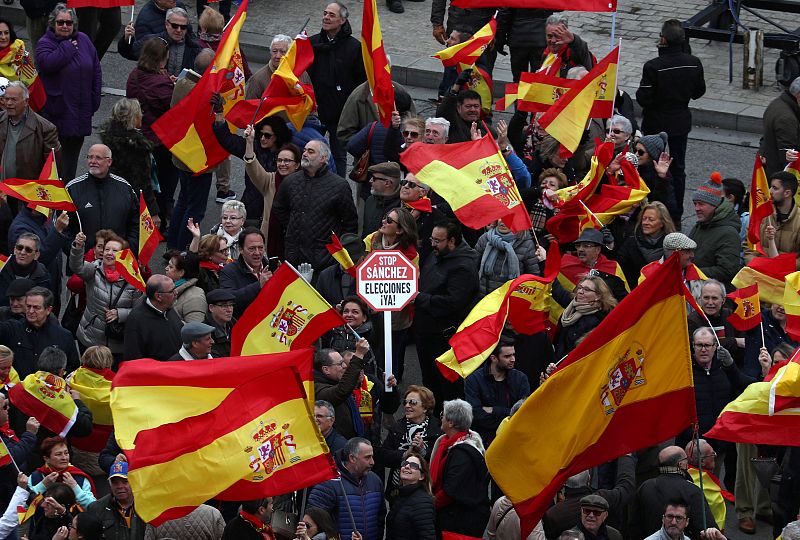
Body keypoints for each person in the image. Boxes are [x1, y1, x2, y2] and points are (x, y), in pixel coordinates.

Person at [636, 20, 706, 222]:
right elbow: (699, 92)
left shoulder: (653, 66)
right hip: (680, 122)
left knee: (650, 166)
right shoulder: (694, 62)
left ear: (663, 39)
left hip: (655, 123)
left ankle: (650, 209)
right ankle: (675, 214)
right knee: (678, 168)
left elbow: (643, 97)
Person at [35, 4, 101, 181]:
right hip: (58, 114)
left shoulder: (84, 40)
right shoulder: (45, 43)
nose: (65, 26)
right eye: (61, 22)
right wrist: (67, 48)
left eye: (69, 23)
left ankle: (67, 202)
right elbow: (47, 64)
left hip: (80, 115)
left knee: (70, 165)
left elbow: (95, 70)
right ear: (53, 24)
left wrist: (94, 100)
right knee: (54, 166)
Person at [272, 139, 358, 273]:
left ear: (323, 158)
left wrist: (336, 246)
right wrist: (292, 226)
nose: (304, 154)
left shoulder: (339, 186)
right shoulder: (291, 181)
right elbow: (278, 207)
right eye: (304, 150)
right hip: (294, 255)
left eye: (310, 151)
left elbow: (350, 222)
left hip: (324, 259)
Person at [414, 221, 478, 402]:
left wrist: (420, 298)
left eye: (437, 240)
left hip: (444, 338)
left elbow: (453, 302)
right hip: (425, 332)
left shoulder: (463, 267)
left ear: (452, 241)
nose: (432, 244)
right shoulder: (436, 255)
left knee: (446, 385)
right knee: (429, 381)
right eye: (432, 239)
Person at [307, 2, 367, 176]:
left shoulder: (354, 48)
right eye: (325, 13)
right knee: (310, 152)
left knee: (339, 155)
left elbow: (360, 82)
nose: (326, 17)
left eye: (331, 15)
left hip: (341, 113)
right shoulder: (312, 43)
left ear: (342, 20)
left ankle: (338, 189)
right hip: (315, 110)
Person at [125, 37, 178, 229]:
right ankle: (160, 224)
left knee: (143, 183)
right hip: (159, 141)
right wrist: (173, 86)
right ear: (162, 58)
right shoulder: (161, 84)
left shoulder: (134, 74)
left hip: (139, 136)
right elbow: (173, 107)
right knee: (162, 186)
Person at [212, 106, 292, 229]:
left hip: (275, 212)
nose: (262, 138)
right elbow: (227, 140)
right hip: (251, 210)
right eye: (260, 134)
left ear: (278, 136)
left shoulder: (289, 155)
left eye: (267, 135)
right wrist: (219, 115)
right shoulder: (252, 147)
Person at [69, 231, 142, 358]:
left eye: (114, 250)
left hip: (118, 344)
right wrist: (78, 247)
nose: (109, 253)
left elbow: (139, 311)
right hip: (90, 338)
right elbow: (77, 266)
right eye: (106, 249)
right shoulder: (94, 269)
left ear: (123, 255)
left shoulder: (133, 279)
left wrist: (120, 314)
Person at [430, 398, 489, 537]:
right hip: (452, 515)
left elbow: (451, 490)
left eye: (442, 415)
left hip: (459, 521)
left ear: (451, 422)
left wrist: (429, 504)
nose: (441, 418)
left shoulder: (463, 454)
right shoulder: (445, 442)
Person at [240, 124, 301, 256]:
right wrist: (249, 142)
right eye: (279, 160)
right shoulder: (270, 181)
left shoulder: (305, 185)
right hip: (271, 241)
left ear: (297, 165)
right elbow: (252, 166)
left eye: (287, 161)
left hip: (296, 240)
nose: (282, 164)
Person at [307, 437, 385, 540]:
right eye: (367, 457)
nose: (372, 462)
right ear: (352, 458)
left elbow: (380, 519)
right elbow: (312, 522)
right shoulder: (329, 483)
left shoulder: (375, 481)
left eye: (372, 457)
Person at [630, 447, 716, 540]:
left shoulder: (645, 487)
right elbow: (706, 530)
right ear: (680, 464)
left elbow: (633, 526)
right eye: (686, 460)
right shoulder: (692, 491)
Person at [66, 144, 140, 252]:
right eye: (90, 157)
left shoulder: (124, 188)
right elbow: (63, 225)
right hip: (82, 261)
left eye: (98, 158)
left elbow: (136, 222)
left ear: (109, 162)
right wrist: (73, 249)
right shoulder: (72, 188)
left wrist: (128, 247)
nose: (93, 161)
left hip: (118, 260)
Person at [0, 81, 61, 211]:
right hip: (2, 191)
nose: (9, 103)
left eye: (13, 100)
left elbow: (52, 168)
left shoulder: (45, 129)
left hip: (26, 196)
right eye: (6, 99)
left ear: (26, 102)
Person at [99, 97, 160, 226]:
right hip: (130, 201)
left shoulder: (109, 137)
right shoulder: (137, 147)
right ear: (133, 118)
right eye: (139, 113)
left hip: (108, 195)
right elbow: (143, 181)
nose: (142, 116)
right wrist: (153, 212)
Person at [379, 385, 443, 499]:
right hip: (398, 490)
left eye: (412, 402)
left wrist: (423, 451)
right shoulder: (397, 428)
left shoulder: (438, 429)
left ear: (425, 407)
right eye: (405, 402)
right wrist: (405, 454)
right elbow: (383, 456)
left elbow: (441, 459)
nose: (407, 406)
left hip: (427, 489)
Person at [0, 287, 79, 378]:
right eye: (28, 306)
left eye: (36, 307)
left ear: (48, 310)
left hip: (49, 390)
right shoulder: (12, 329)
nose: (30, 311)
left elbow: (72, 370)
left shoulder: (64, 336)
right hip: (16, 388)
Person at [464, 340, 530, 445]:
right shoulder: (474, 380)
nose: (513, 359)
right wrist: (508, 414)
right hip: (483, 440)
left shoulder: (520, 378)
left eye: (513, 355)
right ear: (494, 358)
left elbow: (522, 413)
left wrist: (494, 410)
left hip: (513, 437)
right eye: (507, 356)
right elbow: (476, 415)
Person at [688, 173, 742, 286]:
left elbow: (727, 271)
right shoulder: (700, 225)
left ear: (715, 205)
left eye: (701, 204)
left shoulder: (729, 233)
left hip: (713, 296)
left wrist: (692, 272)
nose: (696, 208)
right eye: (695, 204)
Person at [119, 7, 201, 77]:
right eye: (175, 26)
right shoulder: (152, 41)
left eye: (183, 27)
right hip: (157, 92)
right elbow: (129, 53)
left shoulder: (194, 48)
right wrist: (126, 40)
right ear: (166, 24)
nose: (179, 30)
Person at [122, 274, 183, 362]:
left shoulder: (169, 309)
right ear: (158, 297)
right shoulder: (137, 320)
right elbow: (133, 358)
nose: (176, 292)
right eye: (172, 291)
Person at [313, 344, 369, 439]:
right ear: (326, 369)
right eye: (340, 364)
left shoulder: (335, 381)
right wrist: (358, 355)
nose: (344, 366)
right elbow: (342, 391)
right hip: (337, 448)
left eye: (343, 362)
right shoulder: (318, 389)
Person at [474, 220, 542, 297]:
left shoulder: (526, 244)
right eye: (501, 217)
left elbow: (532, 278)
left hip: (508, 300)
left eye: (509, 219)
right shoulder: (485, 238)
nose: (503, 222)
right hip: (482, 298)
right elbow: (473, 266)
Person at [616, 202, 677, 287]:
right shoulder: (631, 241)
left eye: (651, 220)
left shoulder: (673, 245)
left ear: (662, 223)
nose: (645, 222)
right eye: (644, 219)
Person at [555, 276, 617, 359]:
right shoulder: (573, 306)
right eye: (580, 287)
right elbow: (557, 290)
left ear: (598, 296)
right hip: (557, 362)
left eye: (586, 289)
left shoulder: (601, 320)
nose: (580, 291)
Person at [218, 227, 273, 319]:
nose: (257, 253)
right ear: (241, 249)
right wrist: (258, 285)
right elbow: (228, 301)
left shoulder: (273, 268)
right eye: (252, 248)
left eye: (260, 248)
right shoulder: (229, 271)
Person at [29, 436, 96, 508]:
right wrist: (42, 485)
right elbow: (23, 503)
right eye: (58, 454)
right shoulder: (36, 476)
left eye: (66, 453)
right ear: (46, 458)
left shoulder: (79, 477)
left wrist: (75, 487)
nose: (64, 458)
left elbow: (93, 506)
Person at [745, 171, 800, 259]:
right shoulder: (762, 213)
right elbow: (749, 246)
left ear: (787, 193)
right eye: (770, 187)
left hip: (787, 272)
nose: (769, 191)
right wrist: (756, 264)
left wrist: (780, 268)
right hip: (758, 269)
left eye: (775, 188)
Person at [85, 461, 146, 540]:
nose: (120, 486)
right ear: (110, 484)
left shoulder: (147, 505)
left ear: (134, 481)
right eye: (115, 482)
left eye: (125, 481)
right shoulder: (96, 509)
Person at [384, 451, 435, 540]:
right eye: (405, 463)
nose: (407, 466)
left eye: (414, 466)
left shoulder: (423, 502)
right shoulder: (399, 496)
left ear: (422, 476)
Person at [686, 280, 741, 362]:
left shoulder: (730, 315)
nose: (710, 302)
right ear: (700, 298)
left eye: (714, 298)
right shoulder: (692, 320)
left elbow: (743, 344)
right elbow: (698, 349)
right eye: (706, 298)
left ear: (723, 300)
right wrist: (734, 341)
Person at [559, 228, 628, 292]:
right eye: (578, 246)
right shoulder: (565, 265)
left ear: (597, 250)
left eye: (586, 246)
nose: (580, 249)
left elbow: (624, 294)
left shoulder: (613, 267)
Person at [495, 8, 553, 82]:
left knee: (519, 78)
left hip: (518, 37)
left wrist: (500, 40)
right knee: (539, 77)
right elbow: (559, 6)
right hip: (540, 38)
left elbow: (504, 15)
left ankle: (520, 92)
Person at [759, 76, 800, 176]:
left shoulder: (778, 103)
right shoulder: (787, 118)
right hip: (780, 176)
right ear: (799, 96)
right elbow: (787, 156)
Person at [634, 133, 678, 223]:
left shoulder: (661, 175)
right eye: (635, 150)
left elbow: (668, 206)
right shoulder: (635, 167)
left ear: (651, 155)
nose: (636, 154)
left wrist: (662, 177)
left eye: (641, 152)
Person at [0, 232, 52, 304]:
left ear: (36, 255)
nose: (22, 252)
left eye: (28, 250)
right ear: (15, 250)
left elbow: (45, 305)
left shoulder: (43, 275)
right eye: (19, 248)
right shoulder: (1, 265)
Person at [163, 250, 207, 323]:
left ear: (181, 272)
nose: (166, 268)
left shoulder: (195, 298)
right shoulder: (165, 287)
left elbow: (195, 330)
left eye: (171, 267)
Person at [362, 163, 402, 239]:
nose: (370, 181)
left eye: (374, 178)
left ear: (387, 183)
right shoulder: (370, 200)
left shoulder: (401, 206)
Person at [204, 288, 236, 358]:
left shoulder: (238, 327)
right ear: (211, 308)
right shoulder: (204, 334)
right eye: (224, 306)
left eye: (231, 305)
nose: (229, 310)